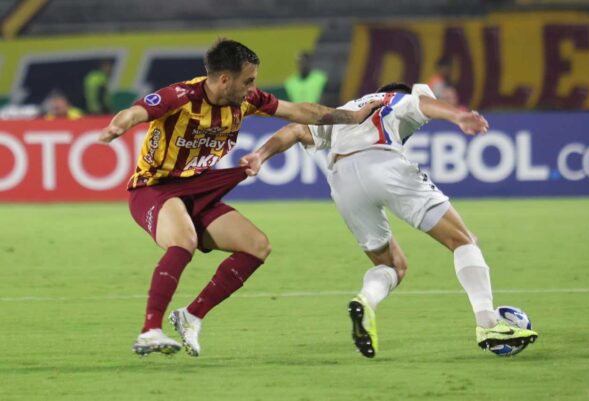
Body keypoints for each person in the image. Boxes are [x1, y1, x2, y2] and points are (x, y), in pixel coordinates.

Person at [98, 39, 382, 357]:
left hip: (199, 189)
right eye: (248, 80)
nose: (253, 87)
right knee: (184, 240)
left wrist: (353, 117)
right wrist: (116, 126)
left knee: (257, 246)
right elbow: (138, 111)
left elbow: (301, 111)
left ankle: (191, 315)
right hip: (155, 188)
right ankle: (150, 330)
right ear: (224, 80)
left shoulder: (247, 101)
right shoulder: (182, 96)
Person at [241, 82, 538, 358]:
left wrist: (259, 154)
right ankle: (487, 322)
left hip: (343, 181)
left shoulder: (347, 110)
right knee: (463, 240)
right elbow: (424, 104)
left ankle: (365, 301)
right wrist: (459, 117)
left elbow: (294, 130)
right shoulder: (396, 99)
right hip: (384, 165)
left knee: (391, 265)